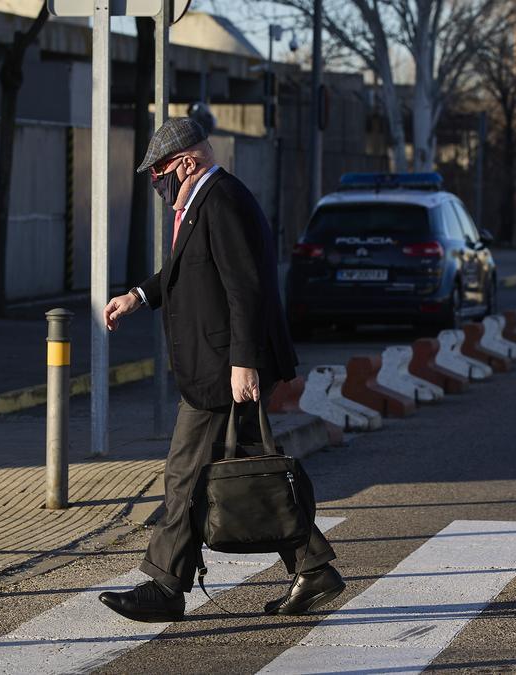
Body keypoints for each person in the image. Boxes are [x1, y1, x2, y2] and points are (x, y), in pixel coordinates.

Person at [98, 118, 344, 623]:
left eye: (160, 170)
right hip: (218, 364)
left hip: (223, 368)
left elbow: (245, 287)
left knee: (184, 473)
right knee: (256, 474)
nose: (156, 181)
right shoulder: (203, 202)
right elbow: (184, 270)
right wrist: (138, 296)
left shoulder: (223, 201)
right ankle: (312, 567)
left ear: (187, 162)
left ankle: (166, 586)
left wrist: (243, 362)